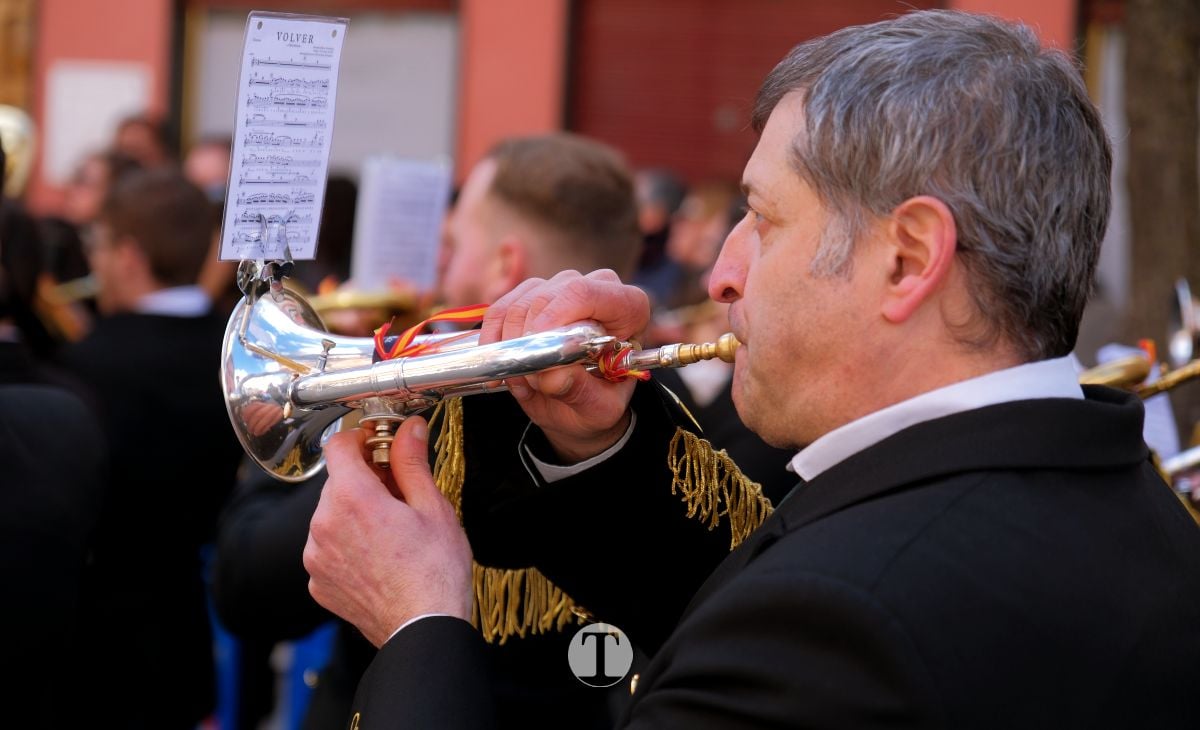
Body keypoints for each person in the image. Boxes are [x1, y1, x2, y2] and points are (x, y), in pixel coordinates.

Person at [303, 10, 1200, 728]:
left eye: (763, 220)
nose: (722, 273)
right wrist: (598, 444)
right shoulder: (1128, 497)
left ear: (908, 257)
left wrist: (420, 627)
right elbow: (736, 588)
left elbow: (801, 606)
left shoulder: (837, 625)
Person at [213, 133, 646, 729]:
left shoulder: (433, 413)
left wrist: (345, 396)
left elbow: (248, 585)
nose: (436, 262)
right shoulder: (663, 430)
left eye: (450, 243)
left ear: (505, 264)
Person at [58, 168, 243, 728]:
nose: (95, 264)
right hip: (189, 636)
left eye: (100, 245)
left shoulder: (87, 365)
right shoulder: (236, 355)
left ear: (130, 256)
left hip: (99, 652)